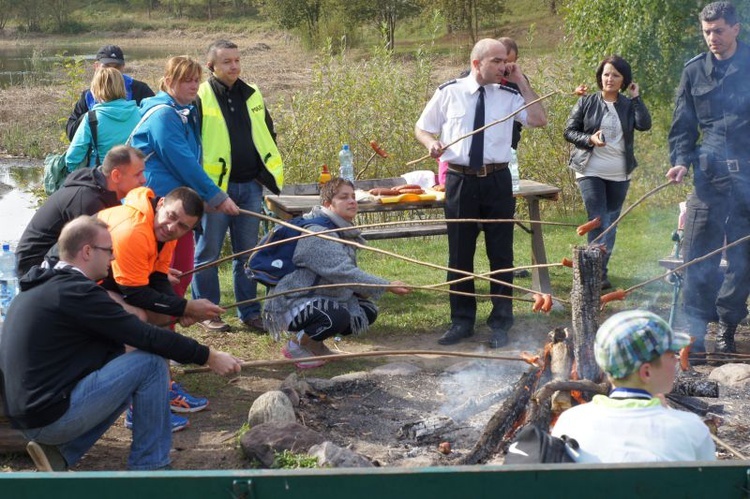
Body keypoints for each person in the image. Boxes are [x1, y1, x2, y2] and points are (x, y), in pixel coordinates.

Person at [0, 215, 241, 472]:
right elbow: (145, 336)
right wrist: (208, 356)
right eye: (109, 251)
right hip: (48, 419)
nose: (113, 258)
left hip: (27, 415)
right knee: (150, 363)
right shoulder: (77, 293)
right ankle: (151, 465)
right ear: (87, 251)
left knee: (127, 364)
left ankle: (60, 454)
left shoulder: (46, 284)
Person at [415, 38, 547, 348]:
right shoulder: (450, 92)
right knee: (460, 254)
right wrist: (430, 144)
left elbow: (539, 120)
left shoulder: (510, 93)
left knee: (501, 254)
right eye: (497, 61)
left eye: (506, 61)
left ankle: (501, 322)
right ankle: (462, 321)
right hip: (461, 181)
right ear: (477, 64)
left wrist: (521, 81)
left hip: (497, 180)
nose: (504, 65)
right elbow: (422, 127)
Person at [97, 186, 226, 429]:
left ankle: (164, 389)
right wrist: (186, 306)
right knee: (133, 318)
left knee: (160, 314)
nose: (172, 228)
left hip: (111, 280)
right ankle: (138, 408)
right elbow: (133, 293)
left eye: (182, 227)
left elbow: (156, 278)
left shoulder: (163, 235)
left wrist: (178, 310)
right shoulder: (133, 230)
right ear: (161, 204)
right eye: (171, 217)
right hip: (76, 283)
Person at [667, 1, 750, 361]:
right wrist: (680, 162)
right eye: (706, 32)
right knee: (697, 256)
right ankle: (694, 337)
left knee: (743, 259)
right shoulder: (694, 72)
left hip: (748, 177)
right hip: (708, 177)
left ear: (735, 29)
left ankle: (728, 328)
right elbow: (683, 125)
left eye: (718, 30)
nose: (712, 38)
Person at [263, 178, 410, 368]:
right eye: (344, 197)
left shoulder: (339, 229)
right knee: (336, 315)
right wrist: (385, 285)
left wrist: (362, 290)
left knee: (366, 310)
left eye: (353, 197)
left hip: (318, 297)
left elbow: (342, 273)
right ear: (327, 204)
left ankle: (316, 345)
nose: (352, 201)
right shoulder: (318, 233)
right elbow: (342, 272)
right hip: (293, 300)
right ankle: (296, 346)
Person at [191, 40, 284, 333]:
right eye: (227, 62)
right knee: (208, 253)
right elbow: (192, 143)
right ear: (212, 67)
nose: (234, 66)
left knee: (247, 254)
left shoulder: (252, 92)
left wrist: (261, 174)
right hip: (215, 188)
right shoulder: (200, 96)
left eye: (237, 60)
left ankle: (249, 313)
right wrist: (204, 187)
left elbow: (267, 132)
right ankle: (208, 313)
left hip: (250, 185)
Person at [129, 56, 240, 299]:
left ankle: (167, 322)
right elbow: (183, 162)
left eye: (196, 80)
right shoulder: (164, 116)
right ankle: (160, 326)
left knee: (181, 273)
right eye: (186, 81)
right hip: (158, 206)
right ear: (169, 81)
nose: (193, 86)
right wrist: (216, 196)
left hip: (178, 202)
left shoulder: (185, 112)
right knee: (166, 274)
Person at [551, 310, 716, 462]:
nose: (676, 360)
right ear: (646, 372)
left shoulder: (571, 421)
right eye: (671, 354)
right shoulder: (692, 429)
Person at [563, 55, 652, 290]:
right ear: (599, 77)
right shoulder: (586, 102)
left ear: (624, 80)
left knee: (610, 222)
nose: (609, 79)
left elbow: (644, 125)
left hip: (619, 174)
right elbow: (569, 131)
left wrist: (636, 97)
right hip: (589, 169)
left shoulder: (627, 104)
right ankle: (595, 274)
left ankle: (600, 269)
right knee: (598, 219)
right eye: (605, 74)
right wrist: (590, 138)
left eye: (615, 75)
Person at [15, 145, 146, 276]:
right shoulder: (88, 201)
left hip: (59, 267)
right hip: (34, 273)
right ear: (116, 175)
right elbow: (96, 257)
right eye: (138, 174)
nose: (143, 180)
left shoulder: (102, 192)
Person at [66, 45, 154, 141]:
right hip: (99, 153)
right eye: (106, 66)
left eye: (117, 67)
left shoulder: (140, 89)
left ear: (123, 67)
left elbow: (155, 122)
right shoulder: (88, 95)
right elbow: (71, 132)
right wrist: (92, 117)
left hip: (133, 151)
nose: (112, 72)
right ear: (96, 66)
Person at [65, 67, 141, 172]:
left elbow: (72, 157)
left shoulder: (92, 118)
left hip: (101, 177)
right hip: (131, 176)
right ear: (122, 86)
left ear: (96, 89)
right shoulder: (139, 113)